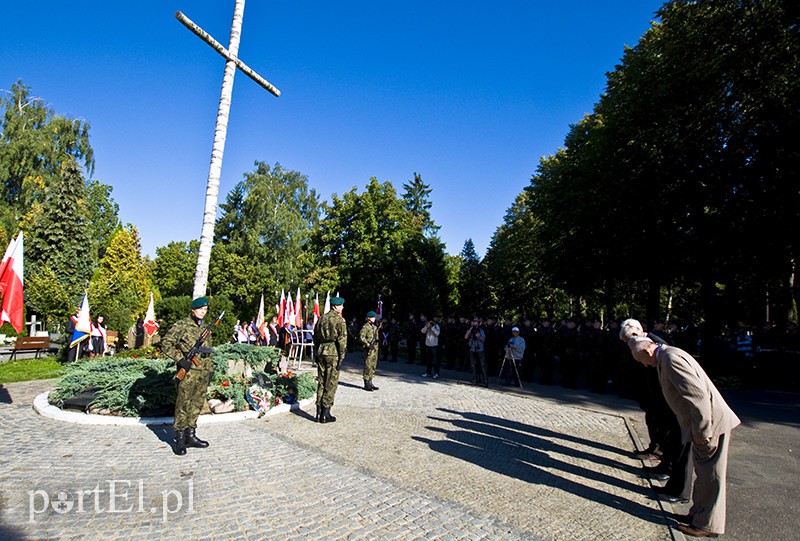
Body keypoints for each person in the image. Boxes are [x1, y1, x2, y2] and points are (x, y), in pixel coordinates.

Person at [629, 336, 741, 538]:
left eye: (642, 361)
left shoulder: (671, 359)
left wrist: (702, 431)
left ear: (647, 352)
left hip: (710, 426)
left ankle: (707, 524)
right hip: (703, 426)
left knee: (711, 476)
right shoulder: (668, 355)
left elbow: (698, 398)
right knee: (704, 473)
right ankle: (698, 515)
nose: (645, 366)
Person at [161, 297, 215, 456]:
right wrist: (180, 360)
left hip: (202, 373)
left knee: (197, 403)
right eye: (200, 309)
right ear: (193, 309)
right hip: (188, 372)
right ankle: (179, 439)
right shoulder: (182, 325)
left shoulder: (205, 328)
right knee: (183, 404)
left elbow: (208, 352)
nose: (203, 312)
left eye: (205, 310)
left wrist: (210, 370)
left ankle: (191, 436)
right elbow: (166, 343)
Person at [313, 296, 347, 423]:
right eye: (341, 305)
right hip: (333, 352)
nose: (342, 307)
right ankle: (325, 413)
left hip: (322, 350)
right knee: (331, 382)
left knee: (321, 381)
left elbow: (315, 336)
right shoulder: (339, 320)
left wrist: (317, 351)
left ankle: (318, 412)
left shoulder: (322, 318)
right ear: (335, 306)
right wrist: (341, 357)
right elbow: (342, 340)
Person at [359, 311, 381, 391]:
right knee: (367, 366)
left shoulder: (374, 327)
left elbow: (377, 338)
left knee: (373, 366)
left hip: (374, 350)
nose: (374, 318)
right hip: (368, 350)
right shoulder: (366, 327)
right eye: (373, 317)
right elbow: (361, 337)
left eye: (374, 317)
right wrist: (368, 344)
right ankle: (366, 383)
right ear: (368, 318)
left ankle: (370, 381)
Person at [465, 317, 487, 386]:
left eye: (476, 321)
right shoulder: (470, 330)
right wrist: (470, 329)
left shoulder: (481, 330)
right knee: (473, 365)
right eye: (473, 321)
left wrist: (479, 336)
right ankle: (475, 380)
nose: (474, 322)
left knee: (482, 365)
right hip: (472, 349)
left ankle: (485, 380)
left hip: (480, 349)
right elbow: (465, 337)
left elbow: (483, 339)